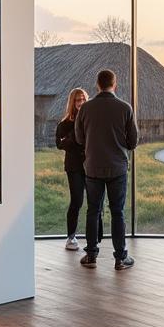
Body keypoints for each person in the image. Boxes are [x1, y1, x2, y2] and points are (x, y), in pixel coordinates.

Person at [74, 68, 138, 270]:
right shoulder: (125, 108)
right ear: (114, 84)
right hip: (117, 167)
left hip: (93, 167)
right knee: (117, 212)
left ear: (97, 85)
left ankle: (91, 255)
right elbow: (133, 142)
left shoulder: (85, 109)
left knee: (93, 211)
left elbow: (79, 138)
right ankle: (120, 258)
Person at [55, 88, 100, 251]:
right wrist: (75, 135)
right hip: (74, 166)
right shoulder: (65, 124)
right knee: (77, 201)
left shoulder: (92, 120)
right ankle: (71, 237)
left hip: (92, 165)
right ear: (72, 103)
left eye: (83, 99)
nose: (81, 103)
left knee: (95, 202)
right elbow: (60, 144)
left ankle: (94, 238)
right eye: (77, 100)